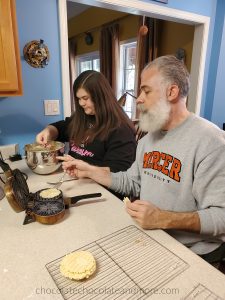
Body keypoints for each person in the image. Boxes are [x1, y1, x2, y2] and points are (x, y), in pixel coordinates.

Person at [58, 55, 225, 265]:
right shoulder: (149, 138)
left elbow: (221, 216)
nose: (138, 98)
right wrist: (89, 170)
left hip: (194, 254)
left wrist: (163, 218)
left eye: (146, 90)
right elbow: (132, 181)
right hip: (153, 238)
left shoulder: (211, 141)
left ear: (171, 92)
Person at [36, 70, 136, 173]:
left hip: (99, 186)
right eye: (78, 98)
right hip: (75, 178)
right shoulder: (83, 116)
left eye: (85, 98)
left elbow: (119, 170)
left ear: (101, 96)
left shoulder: (121, 129)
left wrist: (85, 169)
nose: (81, 103)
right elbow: (61, 127)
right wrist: (48, 131)